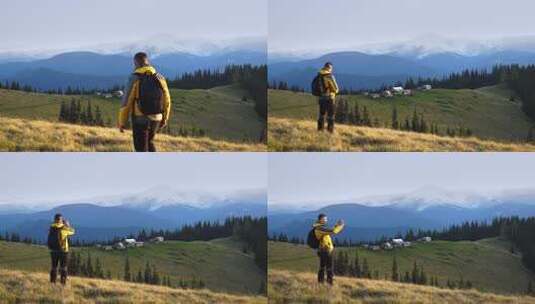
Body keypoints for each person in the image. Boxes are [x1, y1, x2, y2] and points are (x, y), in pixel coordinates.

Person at [118, 52, 171, 152]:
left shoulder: (134, 78)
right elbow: (167, 99)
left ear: (135, 63)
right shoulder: (160, 77)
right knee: (150, 142)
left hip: (140, 118)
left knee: (140, 148)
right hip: (157, 117)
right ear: (147, 62)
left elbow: (126, 101)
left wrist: (122, 122)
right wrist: (165, 118)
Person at [312, 213, 344, 285]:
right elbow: (333, 231)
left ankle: (321, 282)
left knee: (322, 266)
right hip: (325, 250)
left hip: (322, 250)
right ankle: (329, 283)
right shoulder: (320, 228)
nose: (325, 220)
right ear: (319, 220)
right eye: (324, 219)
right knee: (329, 267)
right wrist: (340, 226)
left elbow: (330, 230)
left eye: (326, 219)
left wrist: (336, 225)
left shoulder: (320, 227)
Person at [48, 213, 75, 285]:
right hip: (63, 251)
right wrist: (68, 225)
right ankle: (63, 283)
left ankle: (52, 282)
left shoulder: (51, 228)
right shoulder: (64, 228)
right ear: (60, 220)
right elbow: (72, 232)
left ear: (54, 220)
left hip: (53, 251)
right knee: (63, 267)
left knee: (54, 267)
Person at [317, 62, 339, 133]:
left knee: (321, 114)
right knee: (331, 115)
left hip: (321, 98)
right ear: (329, 68)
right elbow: (335, 89)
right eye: (331, 68)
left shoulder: (319, 75)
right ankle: (330, 131)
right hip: (330, 98)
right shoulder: (329, 76)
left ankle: (320, 130)